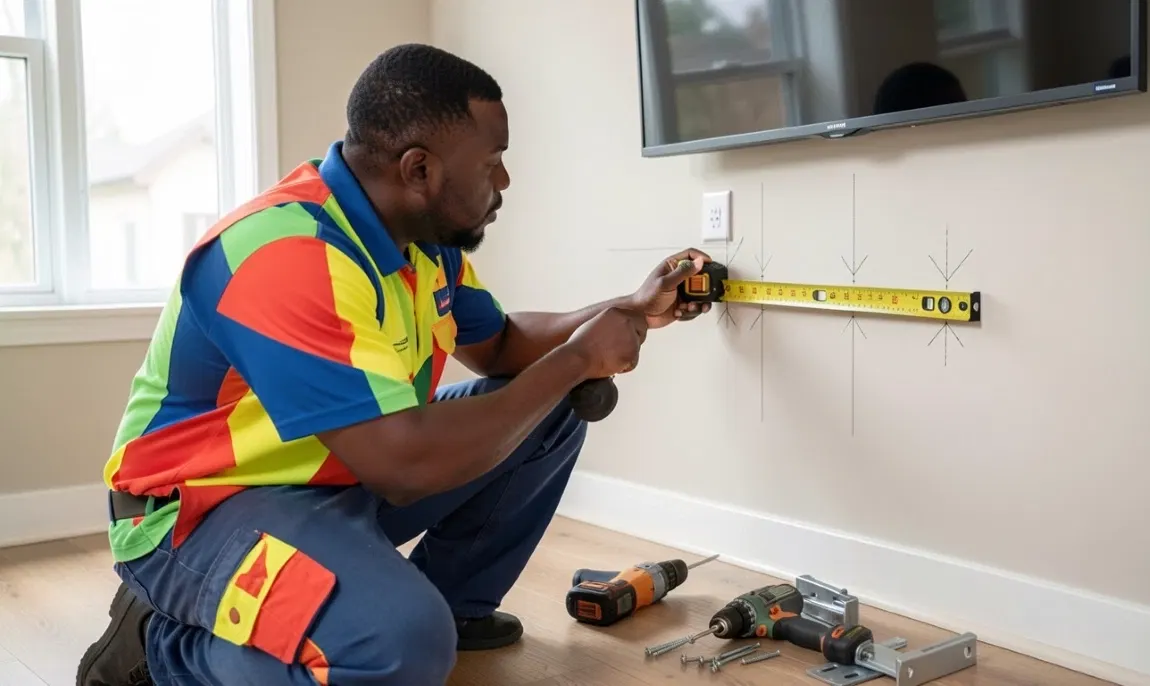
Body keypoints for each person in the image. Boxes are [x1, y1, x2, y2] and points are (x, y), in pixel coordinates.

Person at [76, 43, 712, 685]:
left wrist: (629, 307)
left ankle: (451, 606)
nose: (504, 181)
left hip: (337, 478)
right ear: (419, 170)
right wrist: (577, 358)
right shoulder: (285, 255)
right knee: (398, 643)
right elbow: (406, 468)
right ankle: (161, 650)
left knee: (546, 414)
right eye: (493, 162)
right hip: (200, 511)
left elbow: (498, 346)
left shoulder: (420, 241)